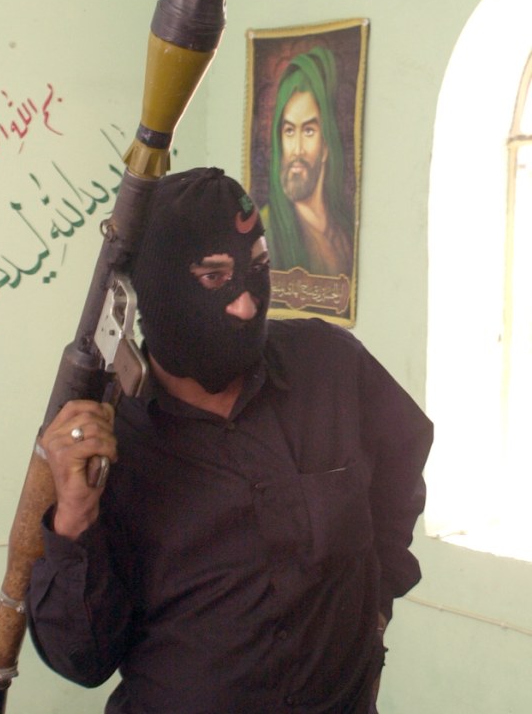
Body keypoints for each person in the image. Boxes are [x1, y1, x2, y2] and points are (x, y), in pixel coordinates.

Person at [27, 166, 433, 714]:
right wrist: (74, 517)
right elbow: (82, 661)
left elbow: (402, 460)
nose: (245, 305)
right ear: (157, 289)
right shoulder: (105, 441)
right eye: (214, 277)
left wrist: (377, 604)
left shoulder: (329, 366)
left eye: (258, 269)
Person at [262, 46, 353, 277]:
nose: (297, 149)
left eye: (309, 131)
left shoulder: (344, 235)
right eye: (289, 131)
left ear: (326, 144)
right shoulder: (266, 229)